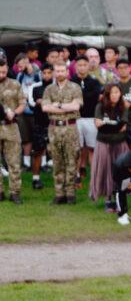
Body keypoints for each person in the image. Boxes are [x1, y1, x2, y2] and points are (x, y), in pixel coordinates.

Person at [42, 62, 83, 204]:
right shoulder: (49, 89)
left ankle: (71, 194)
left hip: (70, 127)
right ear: (54, 73)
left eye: (62, 71)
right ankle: (59, 194)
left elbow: (76, 106)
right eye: (57, 71)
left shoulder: (75, 87)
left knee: (71, 160)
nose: (59, 73)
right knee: (57, 161)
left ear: (67, 72)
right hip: (54, 128)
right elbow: (45, 108)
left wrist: (58, 105)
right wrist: (67, 107)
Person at [91, 83, 129, 209]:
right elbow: (98, 126)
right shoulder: (100, 106)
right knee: (105, 171)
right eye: (111, 93)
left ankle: (119, 197)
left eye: (117, 92)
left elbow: (122, 127)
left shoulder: (123, 107)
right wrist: (115, 126)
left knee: (120, 172)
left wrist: (106, 125)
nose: (114, 95)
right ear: (107, 94)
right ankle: (108, 199)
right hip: (103, 144)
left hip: (120, 144)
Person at [70, 55, 103, 186]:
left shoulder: (94, 82)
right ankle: (76, 175)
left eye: (84, 65)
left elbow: (93, 97)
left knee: (92, 148)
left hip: (91, 118)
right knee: (77, 148)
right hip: (76, 118)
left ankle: (94, 176)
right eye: (80, 65)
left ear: (88, 66)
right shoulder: (71, 82)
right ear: (76, 66)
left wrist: (79, 97)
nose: (82, 67)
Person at [0, 59, 27, 203]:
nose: (1, 75)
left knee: (14, 161)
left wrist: (14, 112)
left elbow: (22, 103)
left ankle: (15, 193)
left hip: (11, 126)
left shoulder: (15, 84)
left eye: (3, 72)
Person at [29, 63, 53, 190]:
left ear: (53, 73)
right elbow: (32, 104)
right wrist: (48, 103)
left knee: (58, 152)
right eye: (45, 73)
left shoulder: (57, 86)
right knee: (37, 152)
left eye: (49, 73)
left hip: (54, 124)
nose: (47, 75)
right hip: (39, 124)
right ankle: (35, 178)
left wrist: (43, 102)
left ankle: (60, 179)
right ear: (41, 74)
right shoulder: (35, 87)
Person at [15, 54, 38, 172]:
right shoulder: (20, 76)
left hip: (37, 112)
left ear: (27, 62)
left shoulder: (38, 74)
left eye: (20, 66)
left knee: (39, 138)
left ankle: (41, 164)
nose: (19, 69)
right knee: (26, 138)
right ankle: (27, 164)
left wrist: (31, 96)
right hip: (24, 111)